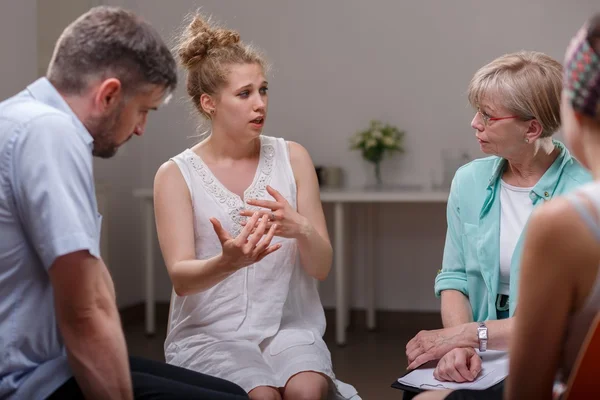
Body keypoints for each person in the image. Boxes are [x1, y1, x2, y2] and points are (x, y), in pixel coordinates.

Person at [0, 6, 249, 399]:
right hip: (27, 382)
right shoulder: (49, 133)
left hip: (49, 359)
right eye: (143, 111)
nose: (139, 128)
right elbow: (85, 312)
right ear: (110, 94)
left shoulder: (19, 118)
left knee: (229, 391)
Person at [153, 13, 359, 400]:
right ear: (209, 103)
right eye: (245, 94)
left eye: (263, 90)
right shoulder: (175, 175)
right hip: (209, 334)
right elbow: (181, 278)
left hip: (287, 327)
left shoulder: (293, 158)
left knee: (308, 390)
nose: (260, 104)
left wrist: (302, 228)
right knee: (261, 394)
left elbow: (321, 266)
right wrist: (227, 262)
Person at [414, 14, 600, 400]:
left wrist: (469, 335)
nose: (474, 123)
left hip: (548, 362)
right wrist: (459, 347)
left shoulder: (580, 199)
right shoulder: (469, 180)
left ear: (532, 129)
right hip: (482, 356)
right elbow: (454, 278)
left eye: (487, 115)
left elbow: (559, 327)